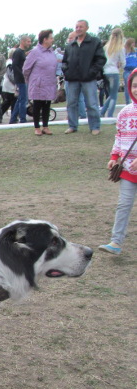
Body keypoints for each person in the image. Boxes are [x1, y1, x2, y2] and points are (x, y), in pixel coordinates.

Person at [99, 68, 137, 255]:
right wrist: (114, 158)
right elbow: (119, 137)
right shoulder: (125, 112)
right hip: (128, 169)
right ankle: (116, 242)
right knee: (124, 205)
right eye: (135, 85)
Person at [62, 19, 106, 135]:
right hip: (72, 79)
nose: (78, 29)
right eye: (76, 27)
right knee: (71, 103)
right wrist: (66, 71)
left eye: (81, 26)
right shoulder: (70, 45)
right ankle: (72, 126)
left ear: (87, 28)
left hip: (88, 78)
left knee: (91, 103)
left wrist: (92, 72)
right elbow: (64, 61)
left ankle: (95, 126)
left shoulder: (95, 42)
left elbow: (101, 59)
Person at [24, 30, 58, 136]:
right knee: (37, 105)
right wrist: (31, 81)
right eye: (51, 38)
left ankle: (45, 126)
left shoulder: (51, 52)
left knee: (47, 105)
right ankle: (37, 127)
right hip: (38, 84)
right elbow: (26, 68)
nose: (53, 40)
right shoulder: (35, 52)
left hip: (49, 82)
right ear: (45, 39)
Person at [100, 28, 126, 117]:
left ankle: (102, 112)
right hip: (114, 72)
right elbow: (124, 63)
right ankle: (110, 115)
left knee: (111, 95)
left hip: (105, 72)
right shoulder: (120, 48)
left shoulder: (106, 47)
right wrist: (120, 65)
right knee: (114, 96)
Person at [10, 35, 32, 124]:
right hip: (21, 79)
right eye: (28, 41)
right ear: (22, 41)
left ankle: (13, 118)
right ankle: (22, 119)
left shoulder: (22, 52)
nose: (30, 43)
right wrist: (23, 75)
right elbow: (14, 65)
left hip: (23, 79)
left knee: (20, 99)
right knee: (23, 99)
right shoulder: (18, 52)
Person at [1, 49, 18, 120]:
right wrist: (16, 82)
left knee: (10, 102)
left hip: (9, 85)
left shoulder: (10, 62)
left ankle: (13, 116)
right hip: (9, 85)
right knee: (9, 102)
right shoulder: (10, 63)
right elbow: (10, 75)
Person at [123, 38, 137, 105]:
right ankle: (128, 103)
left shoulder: (135, 51)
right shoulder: (125, 52)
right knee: (127, 87)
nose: (134, 44)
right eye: (133, 43)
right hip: (127, 71)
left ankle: (134, 101)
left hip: (135, 71)